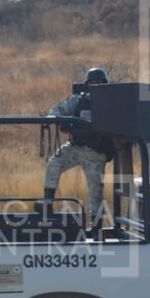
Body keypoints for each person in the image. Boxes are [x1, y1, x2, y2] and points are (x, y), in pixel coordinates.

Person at [44, 68, 116, 228]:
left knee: (95, 191)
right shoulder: (78, 100)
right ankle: (47, 204)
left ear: (105, 85)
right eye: (92, 83)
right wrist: (57, 119)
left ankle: (96, 226)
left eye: (99, 83)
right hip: (75, 148)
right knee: (54, 163)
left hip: (96, 153)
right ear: (87, 85)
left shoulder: (111, 104)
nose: (95, 86)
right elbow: (58, 110)